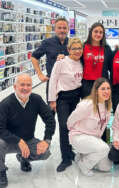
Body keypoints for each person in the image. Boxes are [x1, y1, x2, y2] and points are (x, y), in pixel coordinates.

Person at [0, 73, 55, 187]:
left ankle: (23, 158)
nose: (25, 88)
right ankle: (1, 171)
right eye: (22, 85)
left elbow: (50, 119)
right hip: (9, 142)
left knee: (45, 152)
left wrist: (47, 140)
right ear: (15, 87)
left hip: (28, 139)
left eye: (28, 85)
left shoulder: (36, 100)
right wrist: (18, 141)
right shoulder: (6, 104)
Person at [48, 38, 83, 172]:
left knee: (73, 126)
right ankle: (65, 159)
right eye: (74, 48)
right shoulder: (61, 62)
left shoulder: (81, 61)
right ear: (68, 50)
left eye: (79, 48)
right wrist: (52, 100)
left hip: (76, 97)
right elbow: (53, 80)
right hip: (63, 98)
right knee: (64, 126)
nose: (77, 51)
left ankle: (70, 152)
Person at [67, 78, 112, 176]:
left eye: (108, 88)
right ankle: (84, 165)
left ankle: (82, 155)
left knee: (106, 167)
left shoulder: (107, 107)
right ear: (96, 91)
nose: (106, 91)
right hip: (79, 137)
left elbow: (102, 128)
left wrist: (97, 142)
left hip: (93, 139)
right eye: (103, 89)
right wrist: (74, 132)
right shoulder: (86, 105)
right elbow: (70, 121)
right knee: (104, 149)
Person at [31, 17, 69, 102]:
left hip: (68, 83)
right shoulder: (47, 42)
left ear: (68, 29)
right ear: (55, 29)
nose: (62, 30)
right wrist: (40, 74)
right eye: (59, 28)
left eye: (64, 28)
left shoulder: (72, 43)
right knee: (51, 111)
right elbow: (34, 57)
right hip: (52, 83)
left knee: (68, 113)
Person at [82, 22, 113, 98]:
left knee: (102, 108)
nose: (98, 34)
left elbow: (111, 67)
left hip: (102, 84)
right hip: (87, 85)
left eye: (101, 32)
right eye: (96, 31)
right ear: (91, 32)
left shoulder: (106, 49)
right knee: (87, 108)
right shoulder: (83, 46)